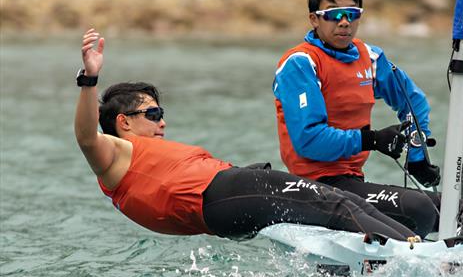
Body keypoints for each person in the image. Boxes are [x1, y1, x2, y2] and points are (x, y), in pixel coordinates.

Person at [74, 28, 419, 242]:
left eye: (161, 114)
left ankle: (401, 246)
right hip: (220, 195)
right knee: (337, 204)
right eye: (153, 114)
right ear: (124, 122)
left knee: (341, 204)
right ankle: (417, 252)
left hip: (228, 198)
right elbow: (87, 137)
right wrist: (89, 79)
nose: (162, 122)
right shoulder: (114, 155)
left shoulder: (144, 154)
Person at [272, 0, 463, 239]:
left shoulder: (370, 58)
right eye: (334, 15)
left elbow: (413, 102)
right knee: (420, 210)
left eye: (352, 14)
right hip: (315, 187)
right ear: (314, 19)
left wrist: (416, 155)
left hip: (352, 183)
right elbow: (309, 140)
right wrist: (372, 140)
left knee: (456, 210)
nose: (344, 22)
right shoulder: (300, 64)